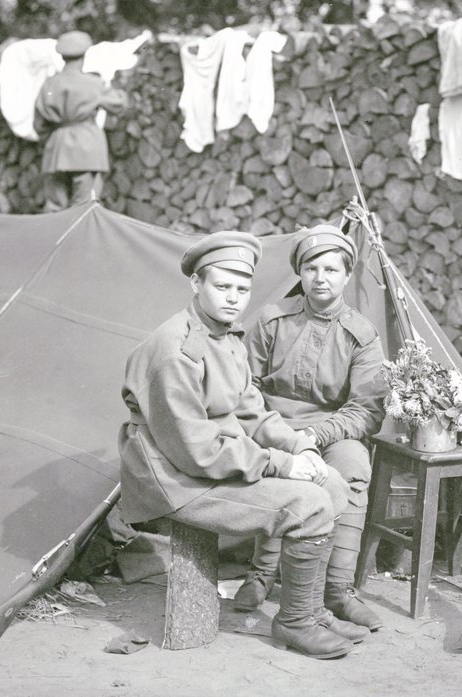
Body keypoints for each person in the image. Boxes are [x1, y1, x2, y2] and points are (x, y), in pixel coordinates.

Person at [117, 231, 367, 659]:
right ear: (196, 284)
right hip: (176, 480)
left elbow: (253, 411)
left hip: (209, 463)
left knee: (332, 484)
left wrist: (300, 449)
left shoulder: (224, 336)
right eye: (222, 286)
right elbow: (196, 451)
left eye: (243, 288)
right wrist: (279, 465)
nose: (234, 298)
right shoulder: (177, 350)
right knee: (308, 505)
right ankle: (294, 623)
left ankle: (308, 607)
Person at [237, 224, 386, 630]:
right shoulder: (272, 320)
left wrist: (318, 436)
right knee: (284, 469)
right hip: (273, 424)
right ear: (300, 273)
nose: (321, 278)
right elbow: (243, 385)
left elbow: (367, 409)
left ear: (347, 275)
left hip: (331, 429)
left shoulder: (361, 335)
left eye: (331, 270)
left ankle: (338, 588)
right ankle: (261, 573)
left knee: (353, 467)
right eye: (312, 269)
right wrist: (277, 432)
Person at [33, 30, 127, 211]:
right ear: (84, 56)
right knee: (84, 209)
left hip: (57, 151)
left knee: (54, 208)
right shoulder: (93, 84)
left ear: (62, 57)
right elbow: (119, 105)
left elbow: (39, 125)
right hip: (88, 150)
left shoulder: (50, 84)